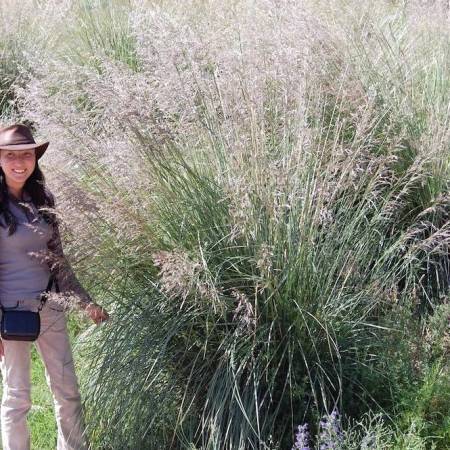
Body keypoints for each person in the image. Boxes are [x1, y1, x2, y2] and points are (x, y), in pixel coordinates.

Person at [0, 123, 109, 450]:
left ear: (35, 158)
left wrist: (87, 302)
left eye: (26, 154)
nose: (20, 162)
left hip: (51, 308)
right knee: (17, 398)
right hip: (11, 315)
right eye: (11, 155)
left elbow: (58, 262)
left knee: (68, 392)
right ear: (0, 160)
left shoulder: (43, 200)